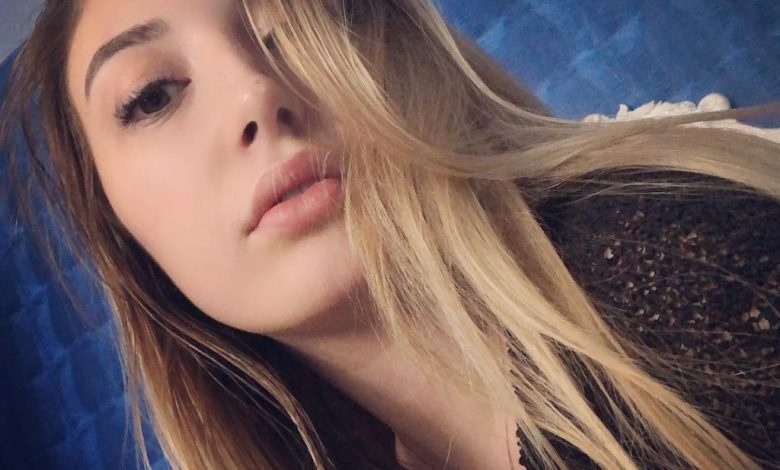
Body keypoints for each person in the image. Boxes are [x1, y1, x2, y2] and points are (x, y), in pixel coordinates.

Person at [1, 0, 778, 469]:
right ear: (120, 232)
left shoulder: (682, 262)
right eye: (151, 96)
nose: (255, 94)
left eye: (294, 23)